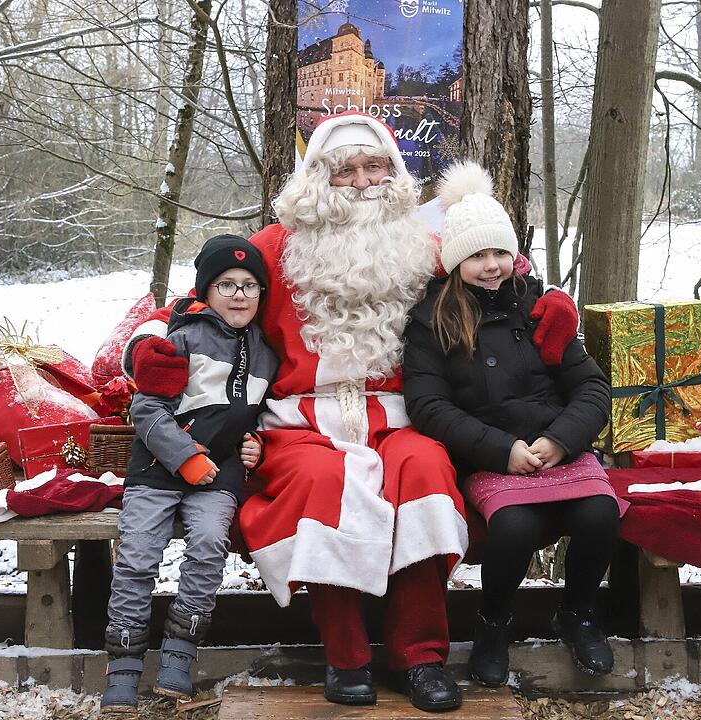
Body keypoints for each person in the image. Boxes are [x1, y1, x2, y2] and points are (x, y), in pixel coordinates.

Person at [125, 111, 581, 712]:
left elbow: (499, 276)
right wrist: (149, 347)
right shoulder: (273, 247)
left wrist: (547, 302)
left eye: (376, 167)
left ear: (395, 174)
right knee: (324, 484)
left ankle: (419, 658)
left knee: (424, 475)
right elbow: (199, 303)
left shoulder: (425, 248)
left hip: (398, 417)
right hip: (299, 424)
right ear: (318, 179)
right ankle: (348, 657)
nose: (363, 181)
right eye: (346, 170)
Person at [402, 162, 627, 686]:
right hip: (491, 452)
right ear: (457, 260)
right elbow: (428, 407)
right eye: (477, 255)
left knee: (600, 514)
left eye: (500, 252)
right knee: (514, 526)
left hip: (557, 446)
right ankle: (494, 623)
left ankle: (575, 614)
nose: (491, 265)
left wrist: (560, 439)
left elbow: (592, 387)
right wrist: (502, 450)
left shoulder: (541, 310)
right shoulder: (432, 321)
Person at [101, 235, 278, 712]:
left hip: (219, 476)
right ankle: (123, 666)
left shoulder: (266, 351)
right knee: (137, 559)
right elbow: (147, 406)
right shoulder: (182, 337)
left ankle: (180, 654)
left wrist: (256, 442)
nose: (239, 295)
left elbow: (260, 413)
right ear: (207, 290)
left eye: (250, 286)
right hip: (158, 469)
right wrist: (184, 456)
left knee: (207, 548)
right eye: (226, 285)